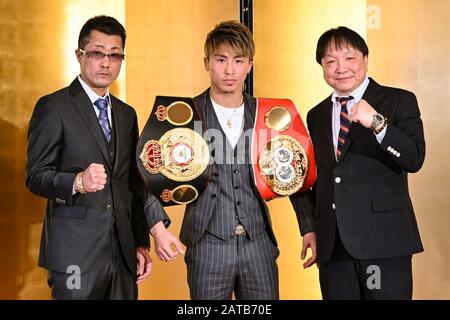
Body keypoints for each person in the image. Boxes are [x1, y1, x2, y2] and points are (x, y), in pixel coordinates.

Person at [150, 20, 317, 300]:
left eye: (238, 60)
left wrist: (309, 227)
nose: (230, 70)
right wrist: (158, 229)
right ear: (207, 62)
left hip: (258, 245)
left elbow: (293, 171)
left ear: (249, 64)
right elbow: (148, 173)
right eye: (221, 60)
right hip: (207, 246)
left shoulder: (267, 113)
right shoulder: (185, 114)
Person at [291, 26, 425, 299]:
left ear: (365, 58)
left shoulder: (398, 101)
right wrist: (309, 228)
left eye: (349, 58)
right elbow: (311, 176)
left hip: (383, 243)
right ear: (322, 66)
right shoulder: (316, 114)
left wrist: (377, 124)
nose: (341, 68)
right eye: (330, 60)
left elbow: (413, 158)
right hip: (333, 246)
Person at [26, 15, 154, 299]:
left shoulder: (126, 114)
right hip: (74, 255)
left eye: (114, 55)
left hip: (121, 254)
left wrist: (140, 243)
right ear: (79, 55)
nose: (106, 63)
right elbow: (35, 177)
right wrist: (78, 182)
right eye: (97, 53)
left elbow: (132, 185)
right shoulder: (53, 107)